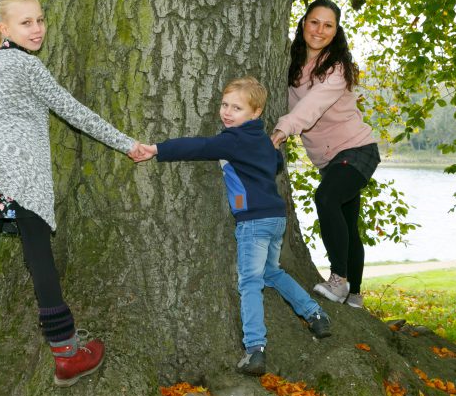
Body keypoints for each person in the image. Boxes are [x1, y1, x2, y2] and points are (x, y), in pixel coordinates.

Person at [0, 0, 146, 386]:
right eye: (26, 22)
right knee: (40, 260)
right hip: (21, 181)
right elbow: (73, 111)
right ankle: (67, 354)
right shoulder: (26, 66)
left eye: (40, 19)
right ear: (4, 27)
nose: (37, 29)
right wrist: (128, 144)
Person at [138, 77, 332, 376]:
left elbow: (199, 146)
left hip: (253, 221)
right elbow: (277, 165)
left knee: (250, 282)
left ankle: (255, 348)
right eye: (225, 105)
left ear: (255, 113)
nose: (227, 113)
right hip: (276, 218)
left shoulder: (233, 139)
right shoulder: (263, 142)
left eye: (237, 108)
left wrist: (157, 148)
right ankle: (315, 313)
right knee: (271, 272)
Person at [270, 0, 379, 310]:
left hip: (357, 150)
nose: (319, 30)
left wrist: (282, 129)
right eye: (314, 22)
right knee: (347, 223)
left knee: (327, 199)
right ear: (304, 22)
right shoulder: (290, 64)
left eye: (328, 25)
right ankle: (355, 295)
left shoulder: (337, 68)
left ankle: (339, 279)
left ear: (336, 31)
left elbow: (312, 104)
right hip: (329, 160)